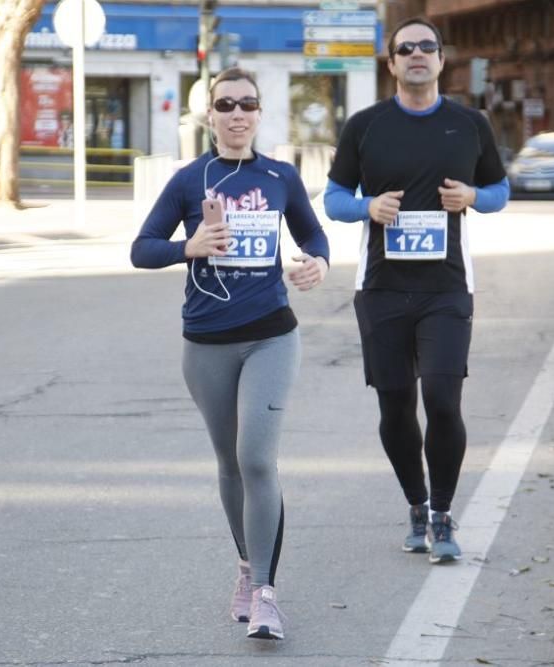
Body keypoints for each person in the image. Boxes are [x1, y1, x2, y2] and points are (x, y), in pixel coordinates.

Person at [131, 67, 329, 640]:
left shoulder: (280, 177)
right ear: (210, 116)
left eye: (248, 104)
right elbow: (141, 249)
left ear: (260, 114)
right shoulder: (189, 180)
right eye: (226, 104)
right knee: (229, 463)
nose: (238, 114)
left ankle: (266, 593)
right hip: (206, 344)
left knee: (257, 458)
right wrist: (186, 247)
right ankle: (246, 566)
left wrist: (316, 261)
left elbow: (312, 236)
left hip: (271, 334)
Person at [323, 17, 508, 565]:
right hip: (381, 288)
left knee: (443, 401)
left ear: (442, 59)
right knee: (396, 406)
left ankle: (444, 514)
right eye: (407, 48)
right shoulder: (365, 126)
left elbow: (500, 191)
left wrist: (473, 195)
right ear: (392, 63)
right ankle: (416, 502)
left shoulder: (469, 124)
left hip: (447, 288)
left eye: (428, 46)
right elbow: (333, 198)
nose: (418, 55)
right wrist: (367, 208)